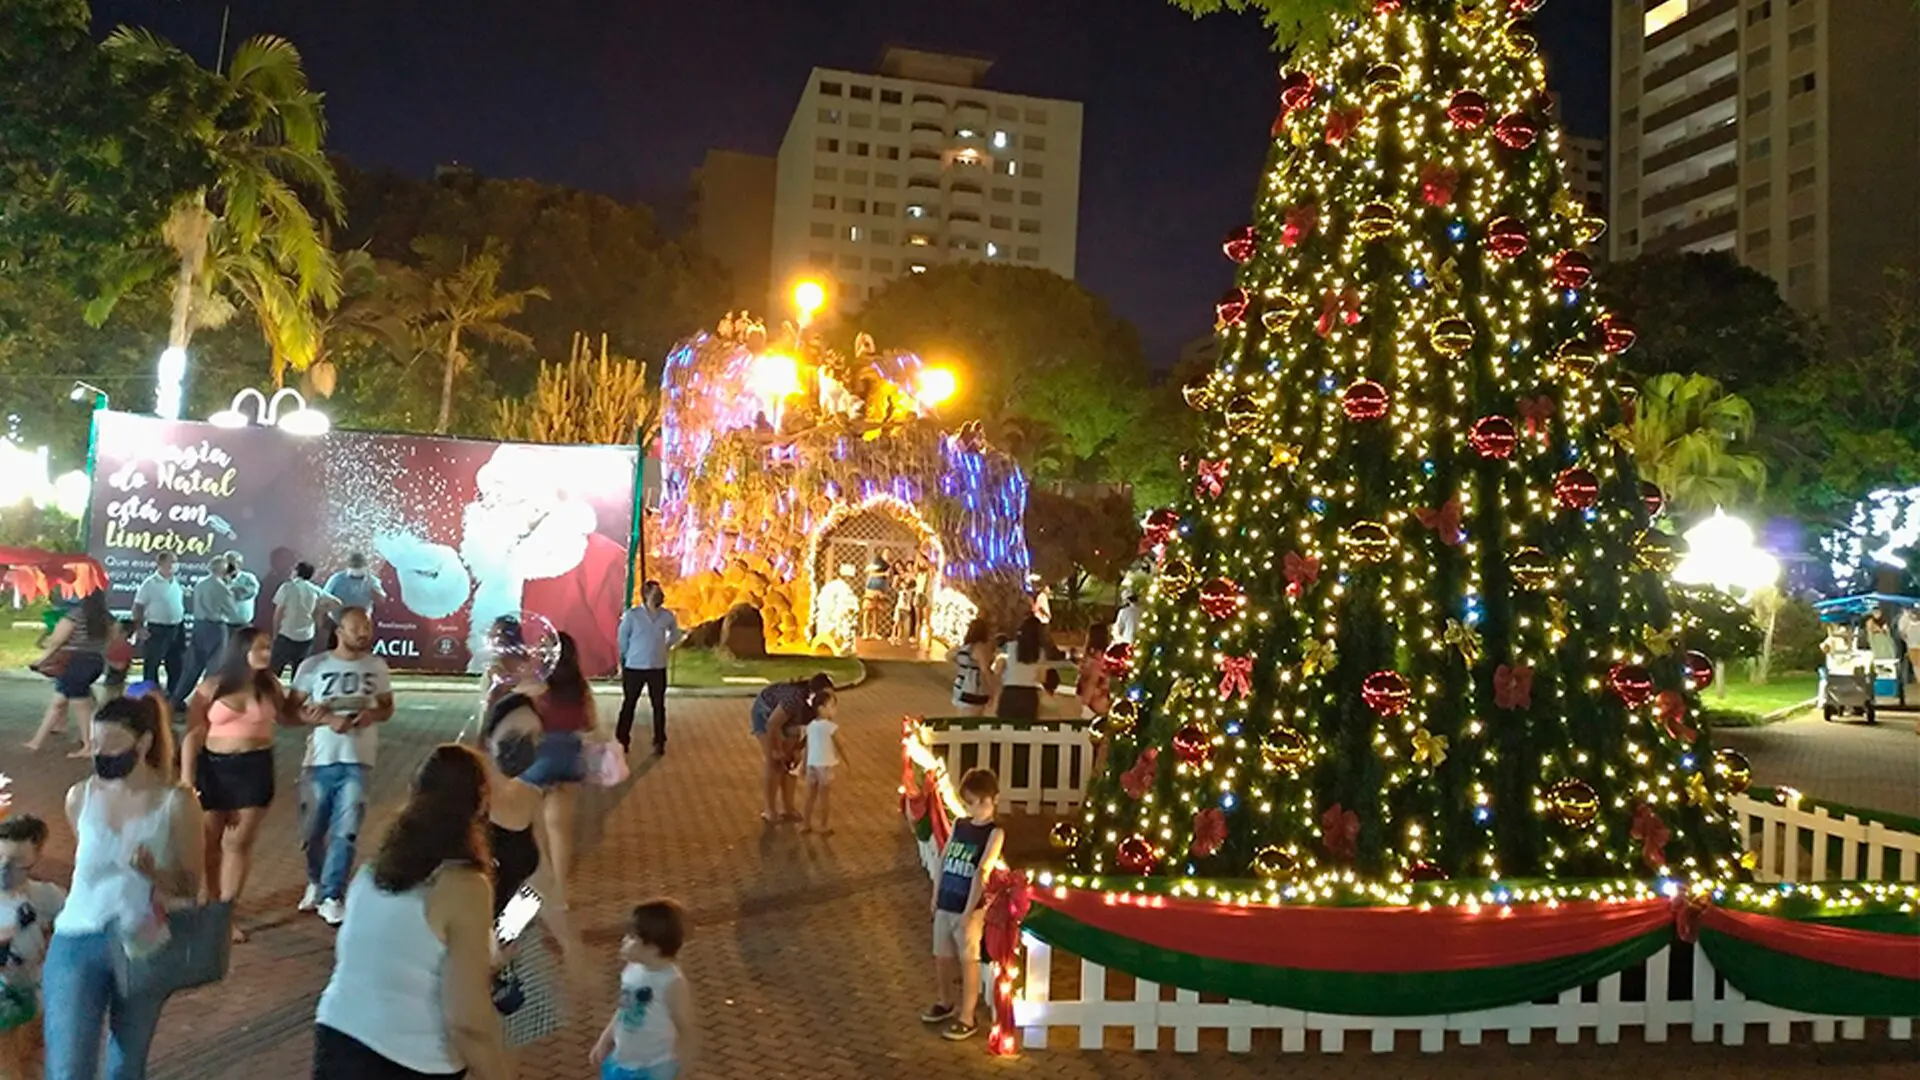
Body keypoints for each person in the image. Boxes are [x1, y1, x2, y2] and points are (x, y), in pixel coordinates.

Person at [312, 744, 512, 1080]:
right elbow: (466, 1017)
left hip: (338, 1033)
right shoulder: (465, 886)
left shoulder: (372, 871)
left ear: (414, 792)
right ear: (480, 805)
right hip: (413, 1057)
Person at [42, 691, 205, 1080]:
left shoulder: (176, 804)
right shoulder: (80, 797)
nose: (101, 755)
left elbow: (188, 885)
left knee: (126, 1067)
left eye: (112, 745)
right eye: (95, 744)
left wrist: (153, 873)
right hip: (77, 936)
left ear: (144, 742)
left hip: (140, 944)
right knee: (68, 1066)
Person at [182, 627, 292, 943]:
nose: (266, 654)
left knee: (238, 842)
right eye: (259, 648)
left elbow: (287, 716)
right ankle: (209, 898)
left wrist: (319, 714)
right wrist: (187, 781)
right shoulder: (212, 686)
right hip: (214, 768)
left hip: (255, 767)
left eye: (269, 648)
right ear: (240, 650)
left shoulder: (270, 685)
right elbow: (192, 734)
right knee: (208, 841)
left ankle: (225, 913)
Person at [289, 608, 395, 926]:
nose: (364, 632)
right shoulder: (314, 666)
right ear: (340, 631)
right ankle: (316, 880)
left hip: (358, 758)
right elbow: (291, 710)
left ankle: (332, 894)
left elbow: (388, 707)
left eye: (367, 626)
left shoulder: (376, 667)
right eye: (356, 627)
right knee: (313, 831)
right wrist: (325, 718)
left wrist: (371, 715)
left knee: (345, 831)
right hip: (320, 758)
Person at [920, 768, 1004, 1042]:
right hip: (946, 901)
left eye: (982, 802)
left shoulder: (994, 833)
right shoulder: (959, 824)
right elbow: (945, 859)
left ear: (994, 800)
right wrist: (935, 895)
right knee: (941, 956)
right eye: (971, 802)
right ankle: (945, 1001)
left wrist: (970, 910)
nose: (976, 808)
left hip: (969, 907)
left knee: (969, 961)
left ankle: (967, 1015)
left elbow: (982, 870)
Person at [514, 632, 598, 888]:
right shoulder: (580, 686)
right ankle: (560, 890)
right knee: (561, 829)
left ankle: (540, 888)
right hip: (570, 756)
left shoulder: (536, 685)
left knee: (536, 828)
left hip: (538, 757)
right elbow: (590, 723)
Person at [590, 900, 698, 1080]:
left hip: (654, 1069)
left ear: (652, 947)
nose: (624, 940)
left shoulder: (671, 982)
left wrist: (682, 1068)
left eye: (632, 937)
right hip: (622, 1062)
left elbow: (686, 1029)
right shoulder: (632, 969)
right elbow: (624, 1008)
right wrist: (605, 1040)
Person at [0, 815, 65, 1077]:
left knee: (31, 1065)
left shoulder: (48, 897)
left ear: (34, 858)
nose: (4, 870)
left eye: (16, 864)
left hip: (32, 999)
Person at [25, 589, 117, 757]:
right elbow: (111, 641)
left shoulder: (74, 615)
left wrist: (40, 660)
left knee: (81, 706)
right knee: (59, 701)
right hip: (95, 662)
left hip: (73, 663)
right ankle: (36, 741)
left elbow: (56, 642)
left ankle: (89, 746)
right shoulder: (108, 618)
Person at [750, 674, 834, 824]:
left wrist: (797, 749)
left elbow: (814, 730)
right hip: (767, 713)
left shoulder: (825, 705)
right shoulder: (794, 698)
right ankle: (770, 810)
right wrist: (776, 750)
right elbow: (772, 725)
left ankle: (788, 808)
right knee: (775, 763)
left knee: (790, 763)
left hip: (791, 719)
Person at [616, 581, 682, 755]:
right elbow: (623, 637)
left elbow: (676, 633)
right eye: (655, 593)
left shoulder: (667, 616)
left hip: (657, 666)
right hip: (635, 666)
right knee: (629, 703)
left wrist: (666, 646)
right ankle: (622, 739)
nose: (659, 596)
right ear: (646, 595)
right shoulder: (633, 615)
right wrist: (627, 654)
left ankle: (660, 740)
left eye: (660, 592)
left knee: (658, 705)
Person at [176, 556, 240, 709]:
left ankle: (176, 700)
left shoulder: (200, 584)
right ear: (223, 569)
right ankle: (203, 704)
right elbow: (233, 613)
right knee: (214, 669)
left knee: (192, 667)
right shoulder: (222, 588)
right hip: (216, 628)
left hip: (198, 626)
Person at [129, 553, 186, 704]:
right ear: (160, 564)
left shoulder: (175, 582)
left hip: (177, 627)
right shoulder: (149, 584)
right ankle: (151, 699)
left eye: (175, 562)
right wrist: (139, 628)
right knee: (152, 664)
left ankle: (174, 697)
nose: (174, 565)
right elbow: (137, 607)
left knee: (176, 663)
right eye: (171, 562)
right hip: (157, 628)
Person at [271, 561, 336, 677]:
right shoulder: (314, 589)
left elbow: (278, 612)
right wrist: (320, 610)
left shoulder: (287, 587)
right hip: (306, 637)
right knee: (299, 676)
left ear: (296, 572)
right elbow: (337, 602)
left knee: (274, 673)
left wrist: (275, 633)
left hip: (286, 634)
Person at [799, 688, 847, 836]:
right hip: (825, 765)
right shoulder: (831, 727)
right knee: (824, 797)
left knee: (809, 796)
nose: (834, 710)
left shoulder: (810, 726)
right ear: (822, 708)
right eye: (831, 706)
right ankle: (823, 825)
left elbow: (807, 747)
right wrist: (846, 761)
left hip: (812, 764)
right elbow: (841, 745)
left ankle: (805, 824)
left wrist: (803, 764)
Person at [322, 553, 387, 647]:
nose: (356, 569)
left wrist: (377, 595)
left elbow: (382, 600)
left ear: (365, 567)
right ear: (348, 566)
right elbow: (323, 597)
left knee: (359, 655)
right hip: (338, 624)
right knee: (334, 652)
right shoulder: (337, 579)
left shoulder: (372, 581)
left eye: (359, 566)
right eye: (354, 566)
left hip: (360, 626)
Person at [994, 617, 1048, 721]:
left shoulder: (1009, 647)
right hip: (1029, 695)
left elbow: (998, 670)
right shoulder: (1040, 653)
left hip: (1010, 693)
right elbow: (1042, 678)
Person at [947, 618, 993, 717]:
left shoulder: (964, 648)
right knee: (973, 721)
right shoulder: (980, 648)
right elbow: (985, 670)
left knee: (961, 718)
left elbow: (949, 656)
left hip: (960, 685)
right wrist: (992, 690)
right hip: (974, 688)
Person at [1076, 622, 1113, 720]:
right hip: (1096, 703)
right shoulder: (1104, 659)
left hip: (1093, 704)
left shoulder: (1093, 661)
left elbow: (1090, 683)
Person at [224, 551, 261, 630]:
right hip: (223, 625)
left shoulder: (249, 578)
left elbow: (250, 593)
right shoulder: (219, 578)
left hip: (244, 626)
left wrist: (234, 590)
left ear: (239, 564)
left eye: (231, 563)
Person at [104, 619, 136, 700]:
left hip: (116, 677)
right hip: (114, 676)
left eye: (115, 630)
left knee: (111, 697)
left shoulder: (124, 647)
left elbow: (120, 666)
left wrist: (106, 660)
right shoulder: (113, 644)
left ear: (124, 633)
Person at [1900, 605, 1920, 690]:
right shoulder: (1908, 625)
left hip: (1912, 648)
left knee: (1916, 667)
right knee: (1916, 667)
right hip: (1913, 648)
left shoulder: (1907, 626)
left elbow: (1903, 636)